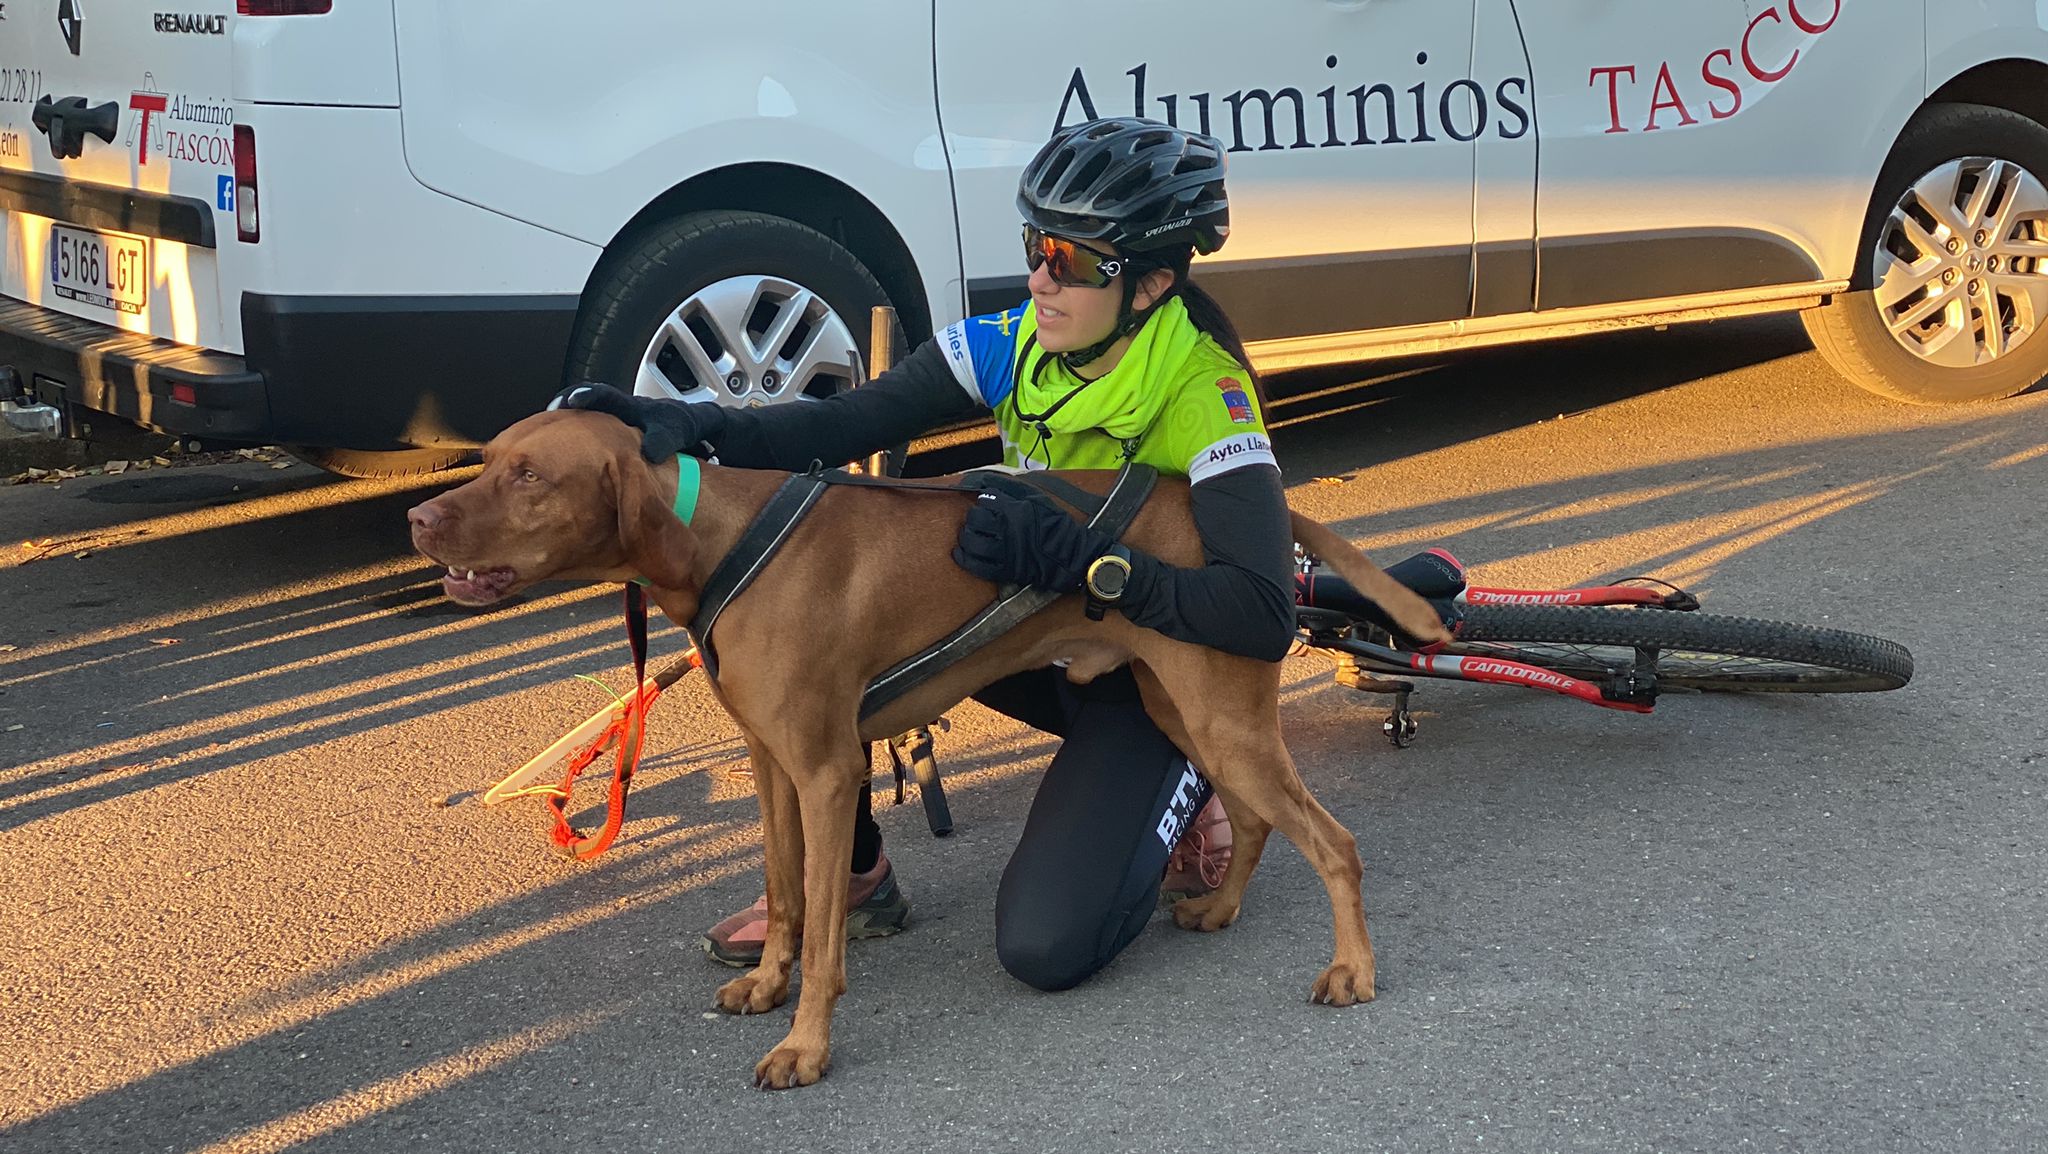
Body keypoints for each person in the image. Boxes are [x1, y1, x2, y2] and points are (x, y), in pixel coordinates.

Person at [557, 116, 1297, 992]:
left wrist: (1088, 563)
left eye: (1073, 260)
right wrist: (689, 423)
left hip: (1161, 659)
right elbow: (836, 427)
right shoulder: (1014, 340)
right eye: (1036, 246)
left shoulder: (1207, 392)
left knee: (1046, 947)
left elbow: (1260, 616)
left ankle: (1194, 775)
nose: (1041, 277)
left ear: (1152, 284)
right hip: (1046, 634)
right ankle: (854, 870)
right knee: (844, 607)